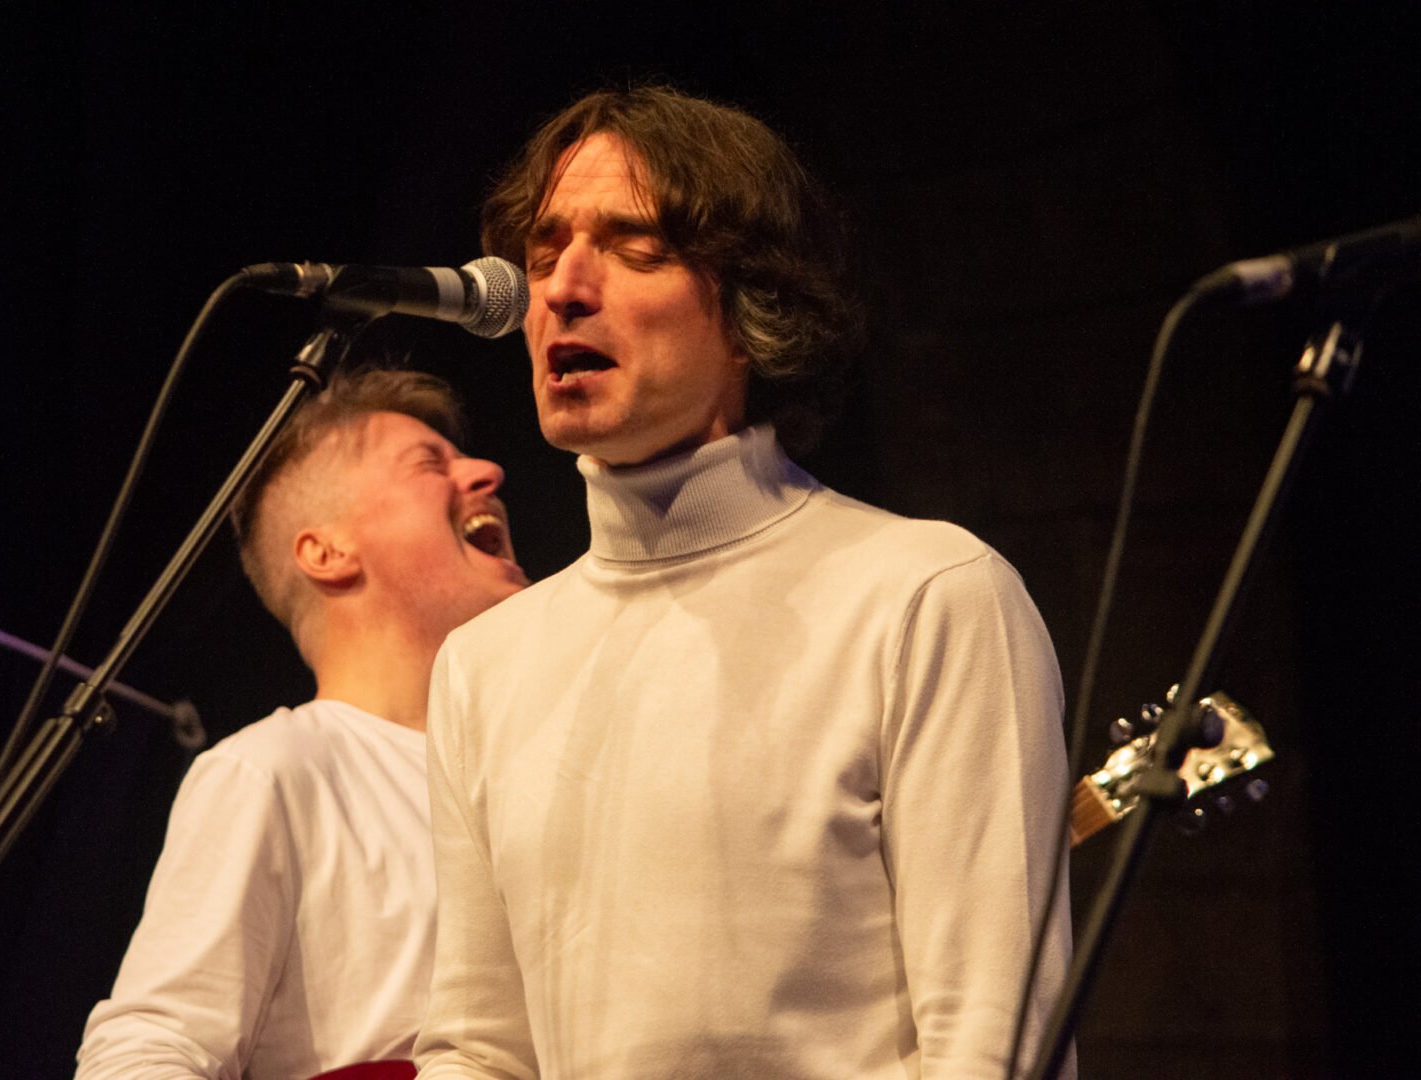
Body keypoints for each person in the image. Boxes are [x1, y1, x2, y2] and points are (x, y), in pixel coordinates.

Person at [413, 87, 1075, 1078]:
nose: (560, 289)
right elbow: (479, 1047)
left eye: (632, 245)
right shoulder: (484, 663)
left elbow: (995, 1043)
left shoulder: (926, 595)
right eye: (544, 251)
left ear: (752, 311)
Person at [76, 369, 528, 1079]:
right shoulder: (275, 770)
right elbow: (151, 1048)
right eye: (428, 464)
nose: (487, 471)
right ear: (328, 552)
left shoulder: (554, 763)